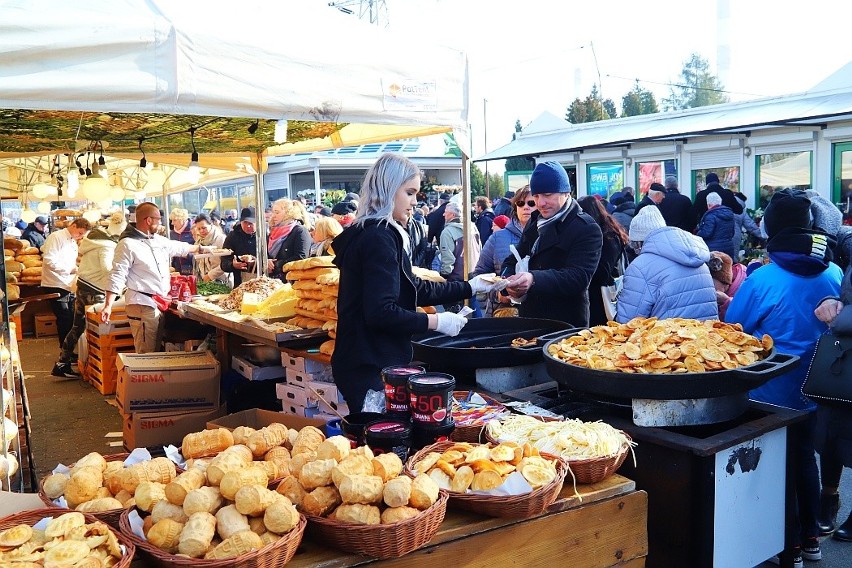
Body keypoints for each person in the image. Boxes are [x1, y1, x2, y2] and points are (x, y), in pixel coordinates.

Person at [725, 188, 842, 564]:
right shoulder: (837, 271)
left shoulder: (763, 278)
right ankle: (811, 539)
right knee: (806, 458)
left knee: (775, 465)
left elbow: (735, 327)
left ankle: (785, 543)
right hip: (822, 384)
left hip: (772, 389)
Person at [330, 153, 498, 411]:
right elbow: (380, 312)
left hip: (365, 360)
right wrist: (437, 322)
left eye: (416, 195)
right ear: (388, 189)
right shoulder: (379, 237)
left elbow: (413, 287)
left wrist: (470, 286)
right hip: (369, 365)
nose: (413, 203)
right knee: (382, 444)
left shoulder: (374, 232)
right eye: (409, 193)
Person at [101, 203, 212, 353]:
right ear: (148, 220)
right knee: (146, 353)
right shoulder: (127, 244)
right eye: (158, 219)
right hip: (141, 304)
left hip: (158, 303)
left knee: (154, 350)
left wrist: (202, 248)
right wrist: (108, 304)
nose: (160, 223)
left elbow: (179, 247)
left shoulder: (157, 240)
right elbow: (117, 274)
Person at [502, 161, 603, 326]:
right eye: (536, 196)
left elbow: (578, 277)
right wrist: (506, 281)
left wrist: (534, 278)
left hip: (565, 325)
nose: (540, 203)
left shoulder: (586, 228)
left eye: (547, 195)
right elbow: (514, 258)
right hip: (530, 319)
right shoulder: (534, 222)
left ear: (565, 192)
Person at [616, 206, 717, 322]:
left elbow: (629, 322)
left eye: (634, 245)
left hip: (665, 338)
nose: (635, 251)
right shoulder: (698, 257)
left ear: (639, 242)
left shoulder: (640, 267)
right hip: (706, 336)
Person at [813, 269, 852, 543]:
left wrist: (842, 317)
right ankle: (828, 498)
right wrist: (830, 301)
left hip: (845, 337)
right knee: (832, 430)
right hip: (845, 355)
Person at [52, 220, 119, 378]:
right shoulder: (106, 247)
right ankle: (96, 367)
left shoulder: (91, 244)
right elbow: (107, 269)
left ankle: (63, 362)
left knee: (78, 326)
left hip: (82, 287)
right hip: (95, 291)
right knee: (97, 329)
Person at [472, 186, 535, 317]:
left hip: (539, 313)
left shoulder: (547, 236)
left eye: (531, 203)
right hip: (504, 314)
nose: (526, 207)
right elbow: (479, 275)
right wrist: (498, 295)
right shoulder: (497, 237)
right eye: (521, 203)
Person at [42, 217, 92, 375]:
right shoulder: (56, 237)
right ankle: (64, 358)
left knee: (70, 319)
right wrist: (68, 270)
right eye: (79, 232)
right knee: (64, 319)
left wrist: (76, 269)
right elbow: (49, 260)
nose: (80, 236)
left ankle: (68, 355)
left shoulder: (72, 241)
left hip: (68, 285)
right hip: (55, 284)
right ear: (74, 225)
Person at [577, 196, 629, 326]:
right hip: (594, 295)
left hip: (600, 296)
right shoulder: (611, 232)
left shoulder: (609, 237)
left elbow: (603, 273)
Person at [267, 198, 311, 280]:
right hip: (273, 281)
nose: (273, 215)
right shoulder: (273, 231)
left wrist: (276, 264)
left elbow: (301, 257)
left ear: (288, 213)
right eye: (272, 212)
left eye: (277, 212)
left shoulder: (300, 230)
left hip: (293, 281)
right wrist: (267, 261)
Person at [221, 207, 258, 288]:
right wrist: (233, 265)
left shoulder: (264, 235)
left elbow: (271, 259)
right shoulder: (232, 236)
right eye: (245, 222)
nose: (248, 226)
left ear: (257, 223)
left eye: (251, 223)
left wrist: (256, 262)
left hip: (263, 282)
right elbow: (223, 263)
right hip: (240, 284)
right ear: (240, 222)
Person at [696, 192, 737, 260]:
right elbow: (732, 232)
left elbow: (706, 233)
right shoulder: (730, 214)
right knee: (726, 269)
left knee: (713, 270)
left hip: (714, 249)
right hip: (728, 247)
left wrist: (698, 232)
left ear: (709, 204)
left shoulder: (710, 216)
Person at [707, 251, 746, 320]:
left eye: (712, 283)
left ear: (724, 282)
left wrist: (726, 301)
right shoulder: (725, 287)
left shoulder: (744, 288)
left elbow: (745, 316)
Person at [192, 213, 229, 284]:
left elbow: (226, 262)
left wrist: (210, 275)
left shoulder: (221, 239)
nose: (201, 231)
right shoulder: (198, 241)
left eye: (204, 228)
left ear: (211, 225)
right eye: (199, 229)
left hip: (222, 281)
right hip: (204, 281)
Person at [168, 208, 194, 275]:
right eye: (171, 220)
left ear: (182, 220)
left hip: (192, 268)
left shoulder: (193, 231)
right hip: (177, 269)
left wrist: (187, 255)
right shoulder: (171, 234)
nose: (172, 223)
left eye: (174, 220)